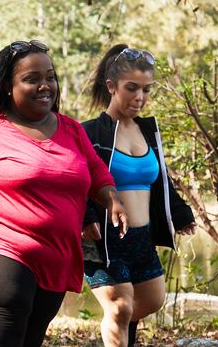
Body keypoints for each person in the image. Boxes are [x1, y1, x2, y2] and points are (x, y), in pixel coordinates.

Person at [0, 40, 129, 347]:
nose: (45, 86)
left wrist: (112, 199)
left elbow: (95, 173)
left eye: (49, 77)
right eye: (31, 79)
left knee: (34, 329)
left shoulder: (71, 130)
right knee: (11, 305)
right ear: (6, 86)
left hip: (55, 251)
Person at [81, 44, 197, 346]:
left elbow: (161, 181)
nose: (140, 97)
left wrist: (181, 212)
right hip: (103, 238)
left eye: (146, 90)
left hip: (142, 237)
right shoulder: (91, 133)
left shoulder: (148, 131)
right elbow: (76, 181)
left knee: (151, 300)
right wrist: (87, 218)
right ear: (111, 86)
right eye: (131, 88)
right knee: (119, 307)